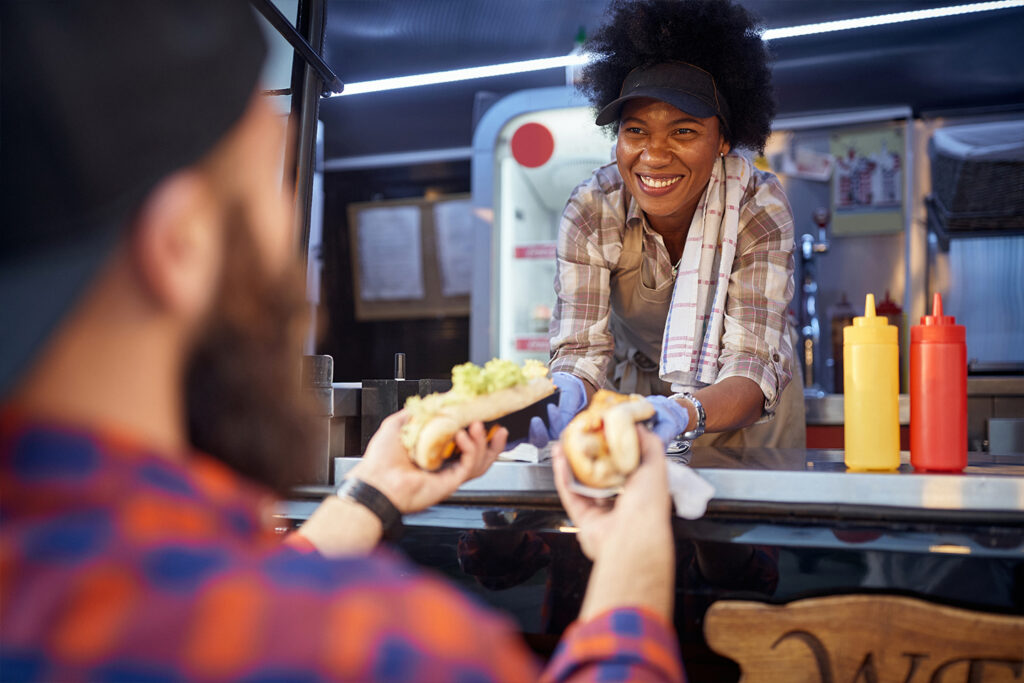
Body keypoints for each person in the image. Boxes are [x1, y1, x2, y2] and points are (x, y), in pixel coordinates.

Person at [0, 2, 684, 681]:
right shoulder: (390, 648)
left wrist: (370, 494)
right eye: (266, 180)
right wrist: (633, 560)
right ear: (182, 243)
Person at [539, 0, 806, 452]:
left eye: (683, 132)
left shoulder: (756, 205)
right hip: (639, 407)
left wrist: (682, 412)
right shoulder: (593, 208)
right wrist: (562, 395)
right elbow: (580, 353)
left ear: (723, 139)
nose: (654, 155)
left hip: (745, 413)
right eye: (636, 131)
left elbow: (751, 360)